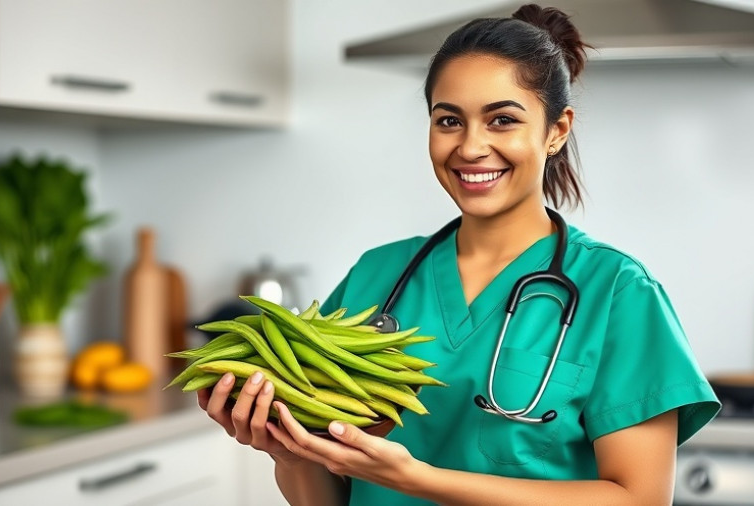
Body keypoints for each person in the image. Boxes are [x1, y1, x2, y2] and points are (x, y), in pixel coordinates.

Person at [198, 4, 720, 505]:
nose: (470, 147)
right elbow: (333, 494)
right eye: (449, 121)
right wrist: (289, 453)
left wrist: (421, 481)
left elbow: (640, 499)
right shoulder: (376, 276)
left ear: (556, 131)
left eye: (501, 121)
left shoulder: (617, 291)